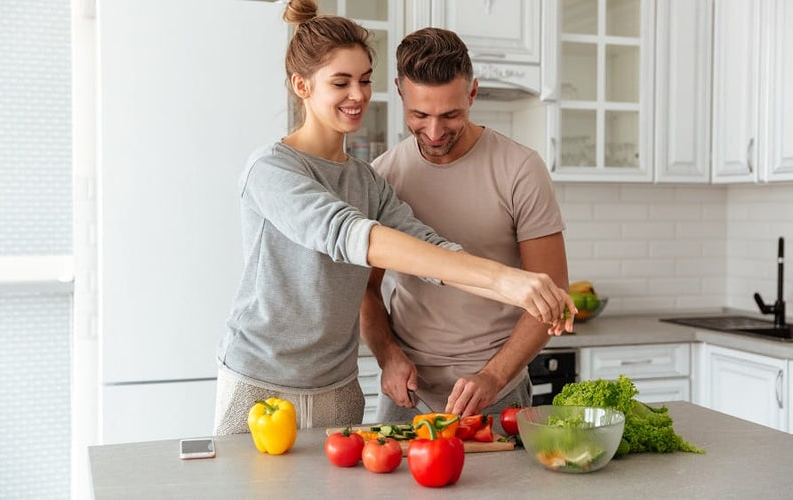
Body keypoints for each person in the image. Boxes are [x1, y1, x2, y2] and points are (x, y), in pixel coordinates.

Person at [213, 1, 575, 435]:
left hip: (338, 384)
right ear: (302, 86)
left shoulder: (368, 181)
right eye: (341, 82)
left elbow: (432, 250)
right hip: (262, 381)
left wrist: (517, 287)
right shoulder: (271, 169)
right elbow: (350, 235)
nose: (358, 94)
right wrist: (504, 280)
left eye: (364, 80)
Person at [360, 27, 571, 422]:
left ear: (472, 93)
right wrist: (388, 356)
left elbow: (553, 291)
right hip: (407, 395)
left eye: (450, 114)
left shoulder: (520, 170)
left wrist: (492, 376)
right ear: (400, 93)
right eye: (419, 115)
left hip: (497, 394)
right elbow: (363, 292)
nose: (435, 132)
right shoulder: (382, 176)